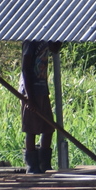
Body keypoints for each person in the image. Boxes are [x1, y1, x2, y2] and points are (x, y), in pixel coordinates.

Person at [20, 39, 61, 173]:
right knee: (31, 129)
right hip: (30, 90)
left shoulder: (46, 39)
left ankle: (45, 164)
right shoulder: (30, 42)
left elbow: (55, 48)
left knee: (48, 127)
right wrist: (29, 98)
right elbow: (25, 69)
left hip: (42, 89)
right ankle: (32, 166)